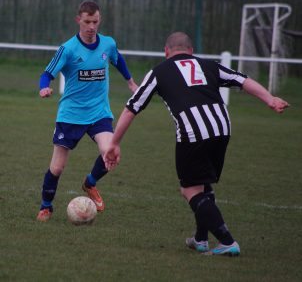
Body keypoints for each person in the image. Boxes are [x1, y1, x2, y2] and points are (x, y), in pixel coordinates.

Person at [104, 32, 289, 256]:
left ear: (166, 52)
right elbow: (243, 80)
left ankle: (227, 241)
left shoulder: (159, 71)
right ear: (191, 51)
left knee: (190, 189)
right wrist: (270, 99)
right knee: (202, 183)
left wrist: (114, 143)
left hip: (194, 132)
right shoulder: (209, 65)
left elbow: (132, 107)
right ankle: (201, 239)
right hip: (222, 128)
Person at [36, 0, 138, 222]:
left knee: (110, 153)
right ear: (78, 21)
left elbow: (118, 60)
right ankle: (46, 207)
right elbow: (47, 73)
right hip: (71, 115)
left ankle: (90, 183)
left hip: (99, 113)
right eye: (87, 22)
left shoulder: (108, 44)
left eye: (95, 21)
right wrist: (44, 87)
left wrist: (130, 82)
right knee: (57, 167)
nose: (92, 26)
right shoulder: (68, 49)